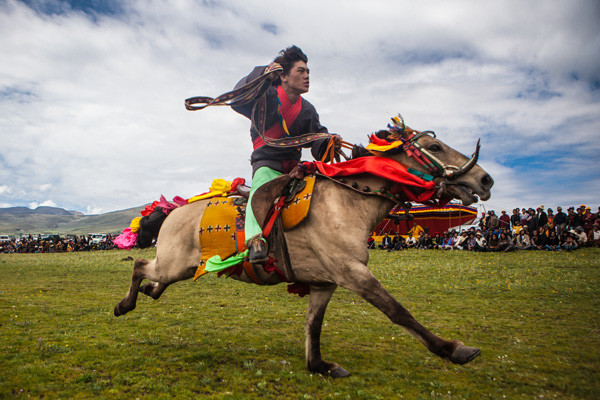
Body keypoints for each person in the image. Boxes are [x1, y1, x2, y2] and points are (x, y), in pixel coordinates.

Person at [231, 45, 342, 263]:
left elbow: (317, 137)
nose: (307, 76)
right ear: (283, 75)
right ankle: (255, 240)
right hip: (266, 164)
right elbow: (238, 98)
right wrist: (263, 74)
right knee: (260, 188)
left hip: (295, 170)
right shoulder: (264, 95)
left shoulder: (308, 110)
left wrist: (329, 141)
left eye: (308, 72)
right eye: (301, 71)